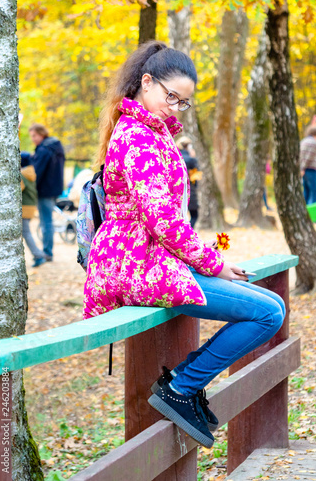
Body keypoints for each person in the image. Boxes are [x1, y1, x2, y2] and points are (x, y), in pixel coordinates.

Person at [83, 41, 285, 449]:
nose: (174, 107)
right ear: (145, 82)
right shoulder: (138, 137)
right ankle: (180, 387)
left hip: (154, 258)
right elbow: (164, 220)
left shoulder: (152, 133)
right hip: (138, 264)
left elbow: (165, 220)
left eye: (182, 102)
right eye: (169, 95)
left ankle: (184, 386)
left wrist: (211, 263)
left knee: (273, 308)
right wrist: (214, 264)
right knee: (266, 314)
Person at [30, 124, 65, 261]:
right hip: (53, 189)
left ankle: (47, 253)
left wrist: (31, 188)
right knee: (47, 220)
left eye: (34, 135)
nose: (33, 139)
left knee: (46, 222)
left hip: (45, 190)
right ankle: (47, 251)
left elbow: (36, 173)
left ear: (41, 134)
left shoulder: (44, 149)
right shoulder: (55, 146)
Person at [20, 152, 46, 267]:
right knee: (26, 232)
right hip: (30, 206)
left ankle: (38, 255)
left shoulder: (22, 175)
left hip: (24, 207)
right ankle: (38, 254)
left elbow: (18, 190)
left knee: (26, 233)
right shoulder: (30, 173)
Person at [176, 136, 200, 228]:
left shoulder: (176, 157)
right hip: (190, 191)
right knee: (194, 215)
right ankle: (189, 233)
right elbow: (195, 177)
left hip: (177, 190)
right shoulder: (191, 160)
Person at [300, 124, 316, 205]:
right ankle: (315, 214)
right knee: (315, 192)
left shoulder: (303, 141)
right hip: (310, 169)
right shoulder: (313, 143)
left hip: (304, 169)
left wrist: (301, 168)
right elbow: (309, 157)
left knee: (306, 191)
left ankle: (304, 209)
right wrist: (303, 167)